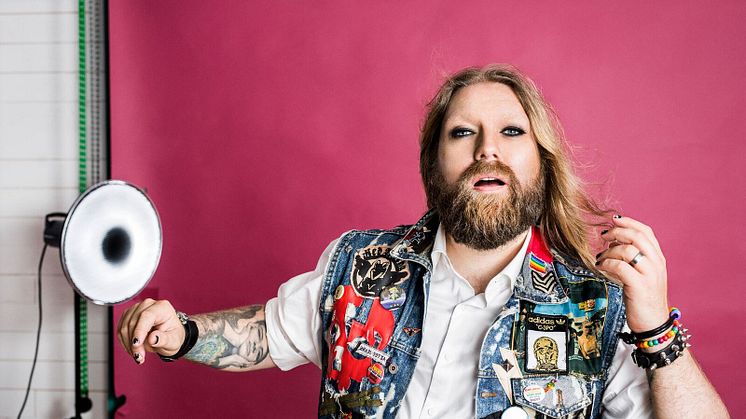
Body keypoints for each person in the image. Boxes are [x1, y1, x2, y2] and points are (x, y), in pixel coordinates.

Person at [117, 64, 729, 418]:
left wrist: (657, 333)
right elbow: (269, 333)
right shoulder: (359, 268)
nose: (487, 147)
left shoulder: (600, 308)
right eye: (464, 132)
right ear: (434, 164)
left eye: (510, 131)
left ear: (539, 161)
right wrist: (184, 334)